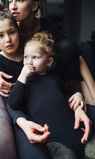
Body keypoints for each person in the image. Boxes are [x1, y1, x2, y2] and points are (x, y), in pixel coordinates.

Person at [0, 1, 91, 159]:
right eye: (1, 36)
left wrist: (78, 96)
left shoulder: (31, 49)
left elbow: (62, 88)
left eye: (12, 32)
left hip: (62, 110)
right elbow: (12, 101)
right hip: (36, 116)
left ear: (19, 32)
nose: (8, 40)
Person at [8, 31, 95, 159]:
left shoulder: (54, 79)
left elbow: (66, 96)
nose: (29, 62)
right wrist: (22, 77)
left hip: (78, 131)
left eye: (35, 57)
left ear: (49, 62)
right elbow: (13, 102)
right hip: (55, 141)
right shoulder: (24, 83)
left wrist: (78, 95)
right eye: (26, 57)